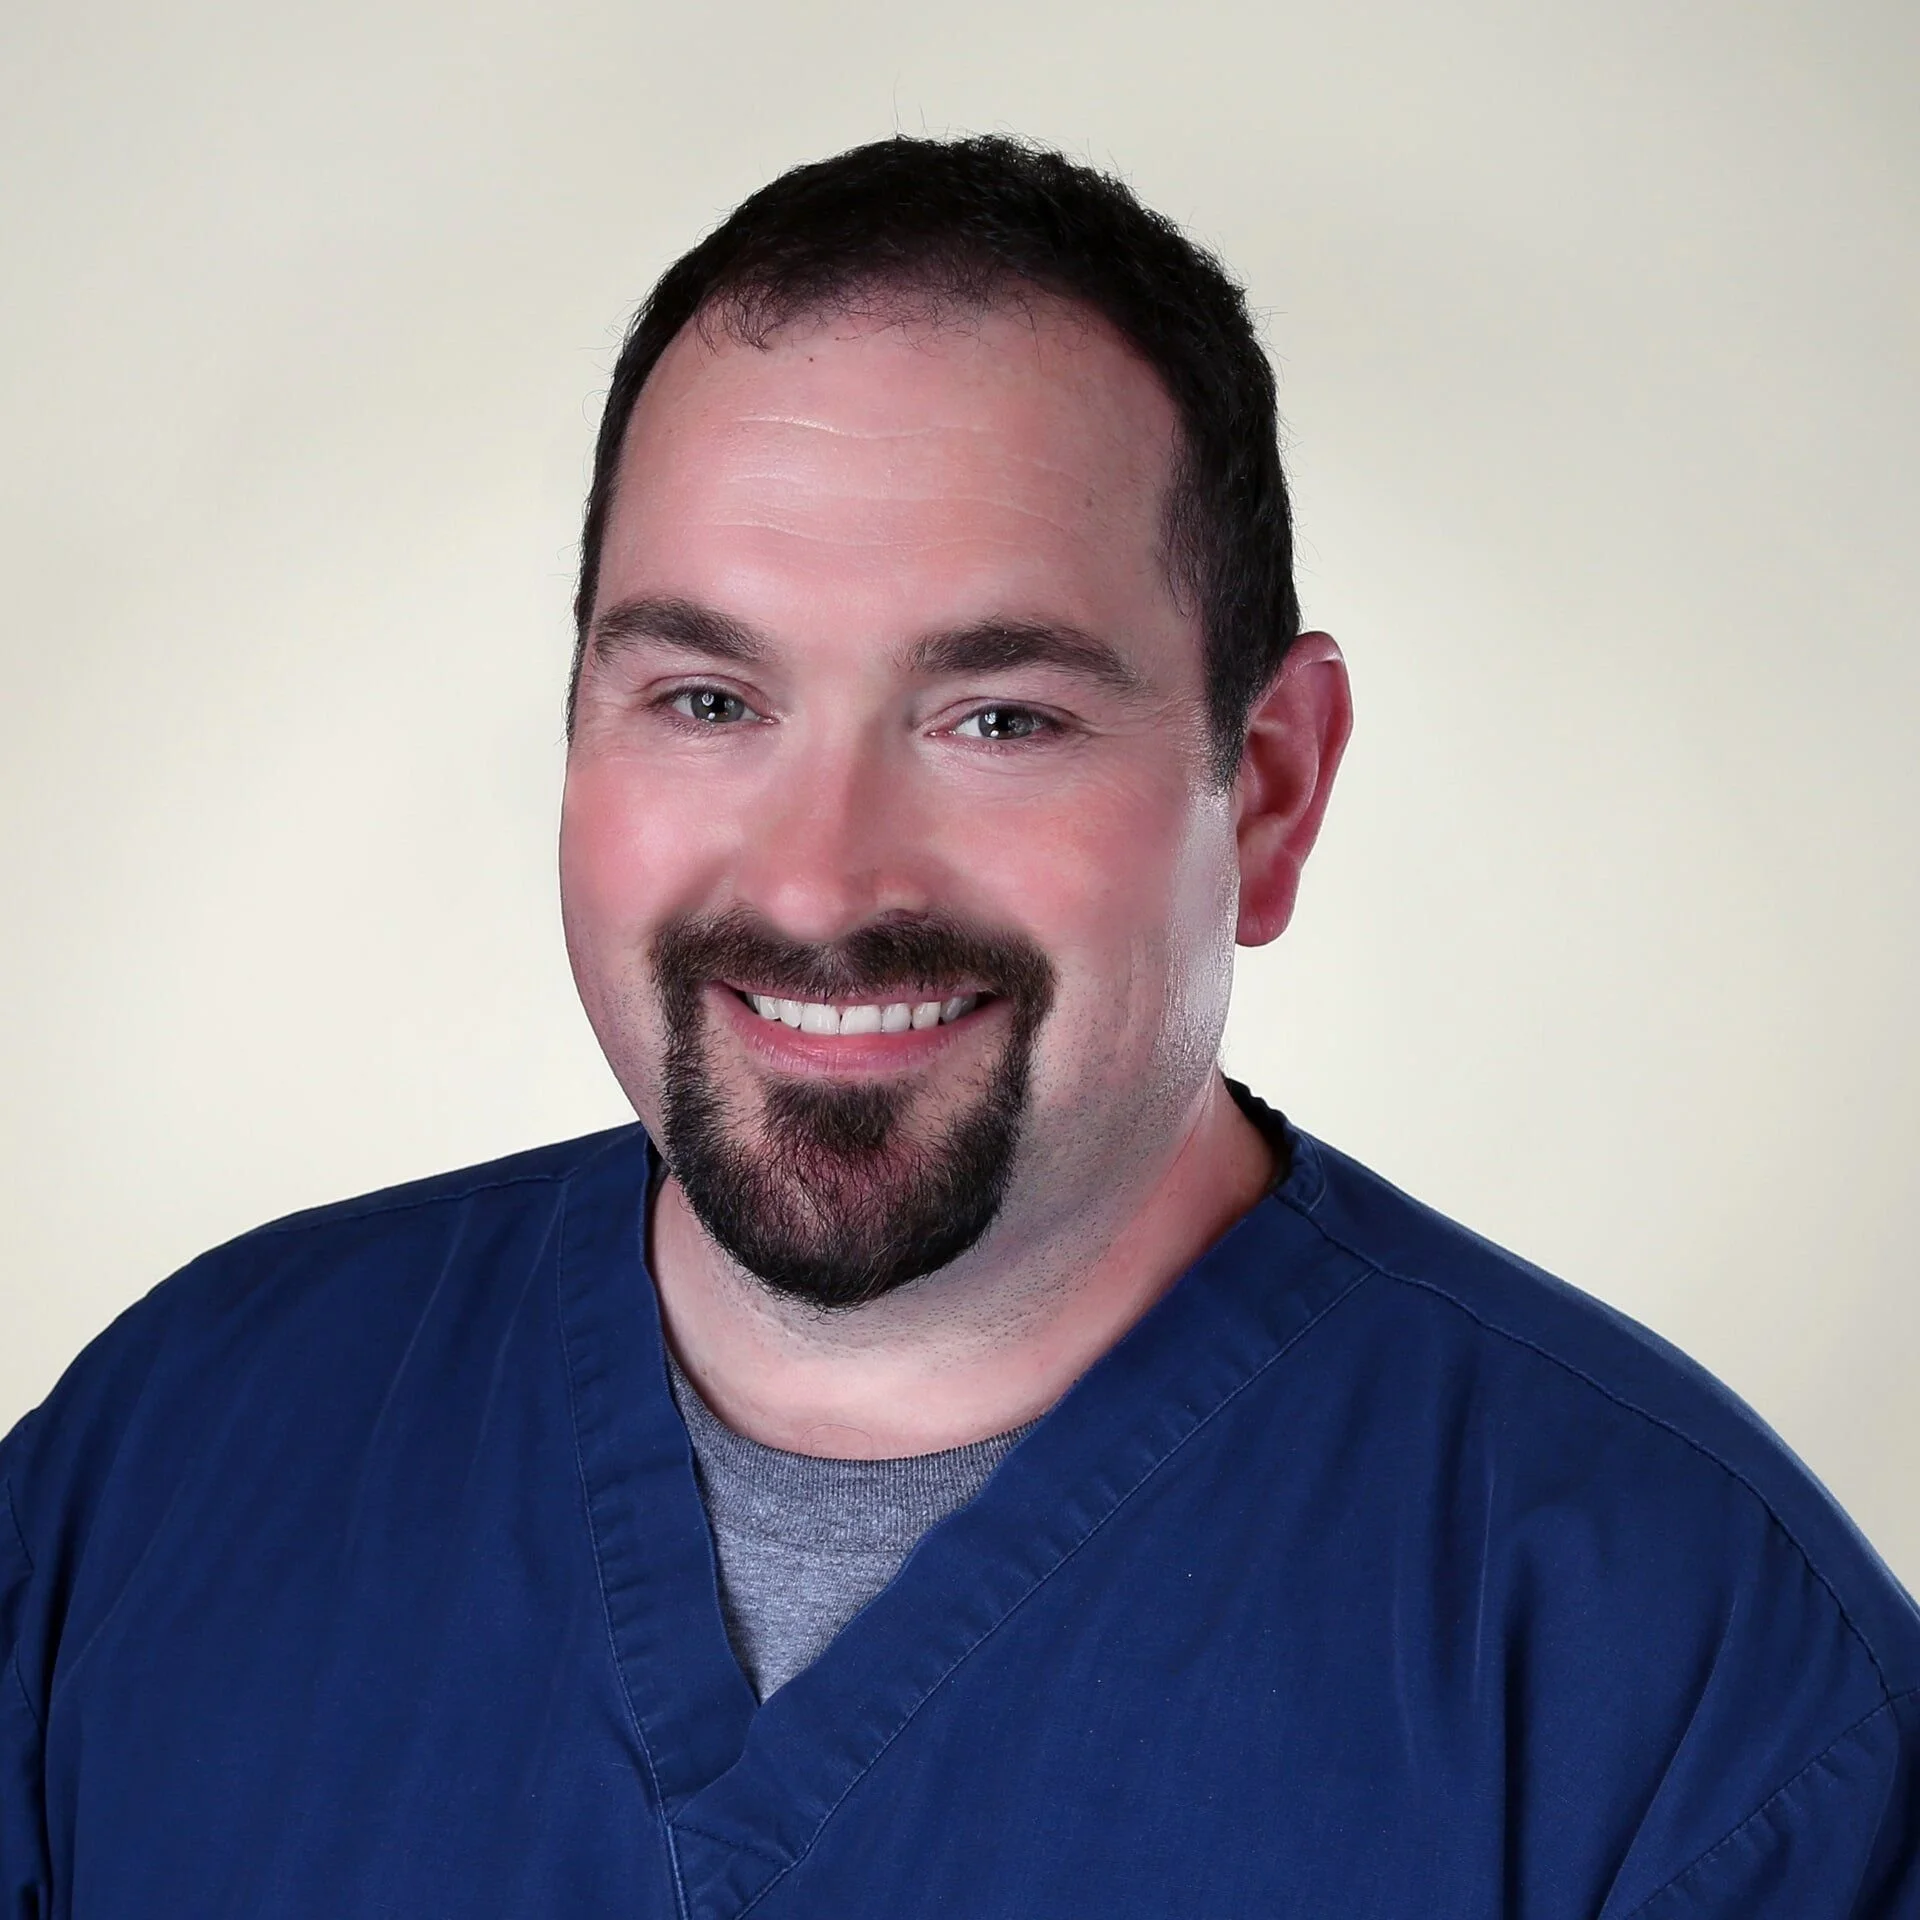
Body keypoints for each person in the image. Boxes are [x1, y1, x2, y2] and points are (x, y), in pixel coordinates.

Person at [3, 134, 1915, 1920]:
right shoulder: (162, 1467)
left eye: (998, 717)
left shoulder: (1693, 1693)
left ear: (1265, 790)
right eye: (704, 699)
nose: (823, 885)